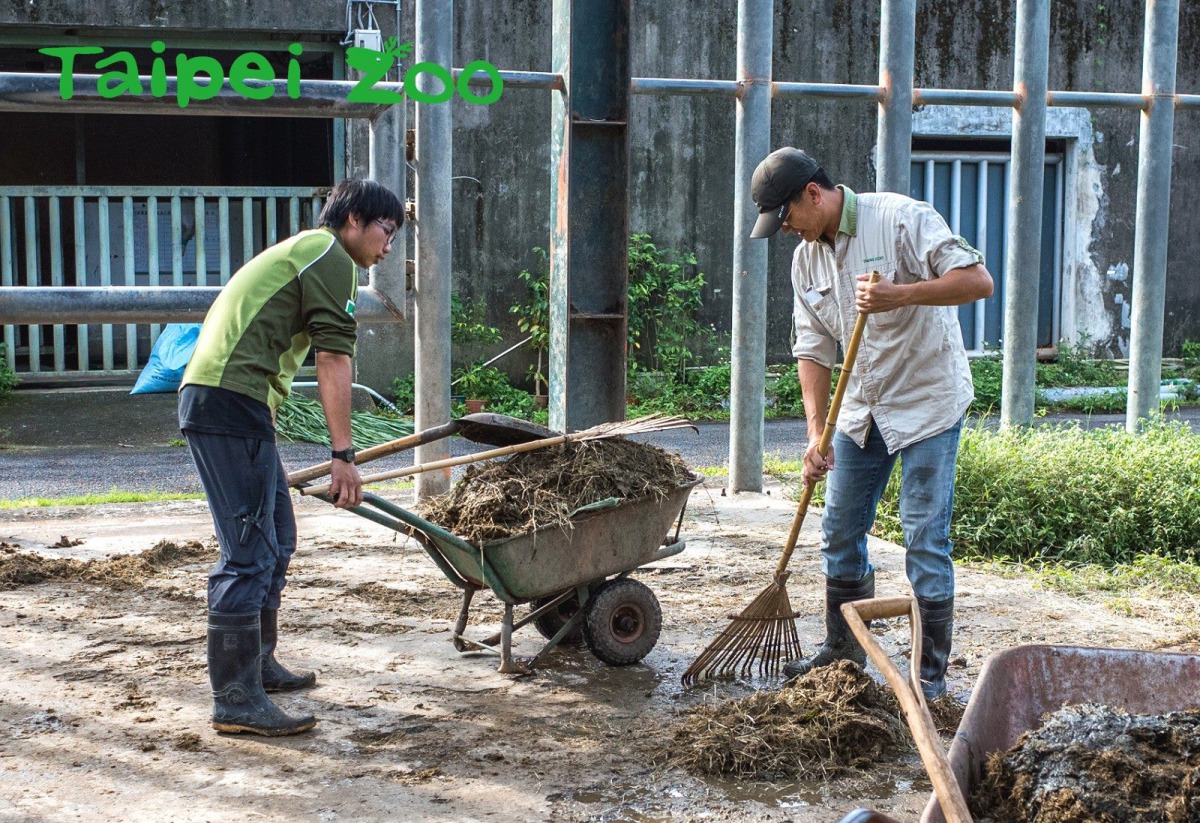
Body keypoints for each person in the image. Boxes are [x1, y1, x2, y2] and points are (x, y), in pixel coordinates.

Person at [749, 148, 993, 700]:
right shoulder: (806, 259)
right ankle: (843, 650)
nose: (785, 229)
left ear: (813, 194)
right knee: (839, 530)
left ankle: (927, 674)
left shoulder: (902, 218)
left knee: (924, 536)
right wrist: (815, 431)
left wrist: (900, 295)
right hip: (860, 410)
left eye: (785, 216)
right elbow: (812, 349)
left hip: (927, 402)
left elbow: (978, 281)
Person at [179, 178, 404, 735]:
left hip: (236, 404)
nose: (389, 246)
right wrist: (342, 455)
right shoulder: (330, 256)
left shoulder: (310, 251)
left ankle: (259, 666)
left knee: (277, 535)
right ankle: (235, 700)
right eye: (386, 230)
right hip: (229, 403)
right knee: (249, 553)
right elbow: (332, 357)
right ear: (353, 219)